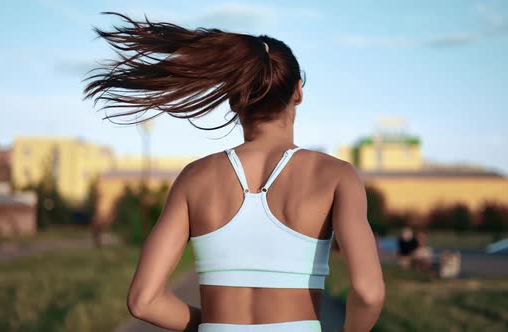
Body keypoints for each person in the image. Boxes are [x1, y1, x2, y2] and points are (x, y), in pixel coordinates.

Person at [83, 12, 385, 332]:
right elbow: (368, 292)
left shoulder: (194, 178)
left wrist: (213, 324)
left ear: (233, 99)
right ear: (298, 91)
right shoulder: (336, 175)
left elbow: (143, 300)